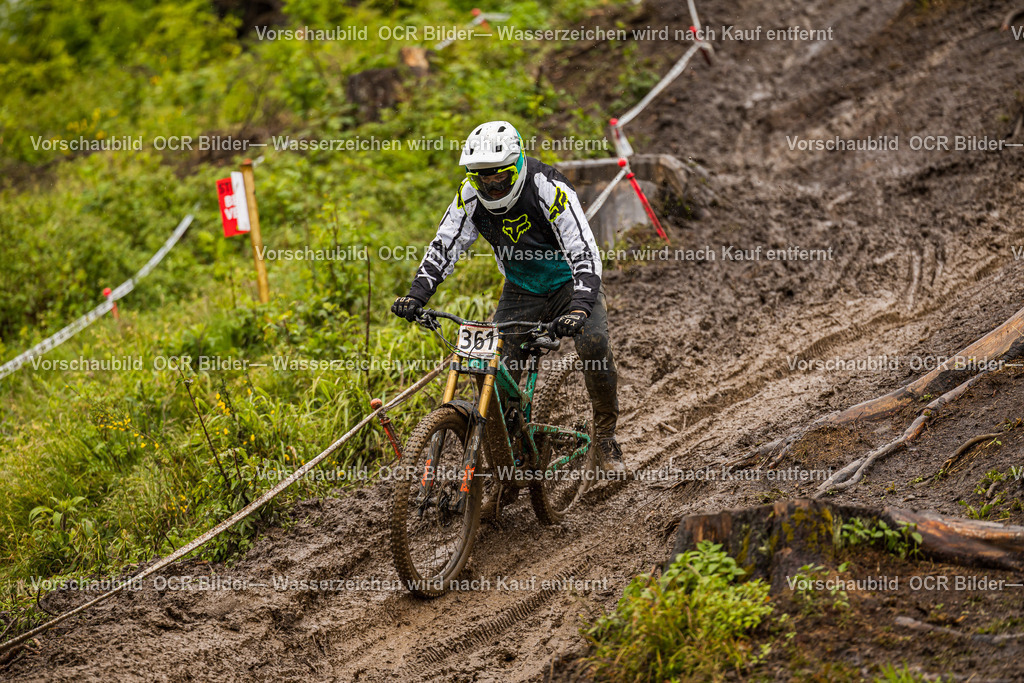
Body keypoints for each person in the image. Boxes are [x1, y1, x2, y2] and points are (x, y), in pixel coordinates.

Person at [391, 120, 623, 473]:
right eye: (482, 179)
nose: (492, 186)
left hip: (569, 284)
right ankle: (509, 455)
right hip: (521, 289)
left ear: (516, 166)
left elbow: (584, 251)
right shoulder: (470, 197)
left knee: (594, 343)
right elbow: (444, 245)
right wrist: (417, 295)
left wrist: (579, 307)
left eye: (500, 178)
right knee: (492, 374)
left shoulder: (548, 187)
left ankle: (605, 436)